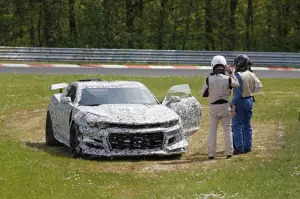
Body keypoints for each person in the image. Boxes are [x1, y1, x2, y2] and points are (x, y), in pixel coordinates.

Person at [201, 55, 239, 160]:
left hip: (213, 107)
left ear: (213, 65)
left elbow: (203, 94)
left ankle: (211, 154)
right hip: (225, 106)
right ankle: (229, 152)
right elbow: (237, 85)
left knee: (212, 131)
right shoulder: (228, 79)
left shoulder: (208, 79)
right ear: (224, 66)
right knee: (227, 130)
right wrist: (231, 73)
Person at [231, 54, 262, 155]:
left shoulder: (238, 75)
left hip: (240, 101)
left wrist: (233, 105)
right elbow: (259, 86)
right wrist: (250, 91)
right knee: (247, 125)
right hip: (250, 100)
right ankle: (248, 146)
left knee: (236, 125)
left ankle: (239, 147)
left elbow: (237, 93)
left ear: (239, 64)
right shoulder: (251, 73)